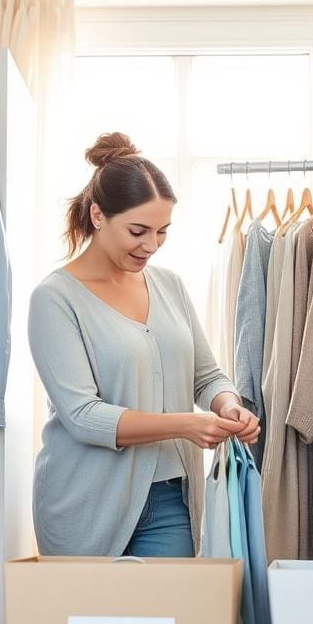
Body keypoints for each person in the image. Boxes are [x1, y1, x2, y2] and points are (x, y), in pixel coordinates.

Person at [28, 132, 260, 558]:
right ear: (98, 215)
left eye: (162, 232)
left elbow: (207, 376)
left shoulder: (169, 286)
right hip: (83, 504)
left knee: (165, 622)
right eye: (138, 231)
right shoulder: (55, 299)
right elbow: (82, 416)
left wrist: (228, 405)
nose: (151, 246)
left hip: (170, 498)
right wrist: (186, 425)